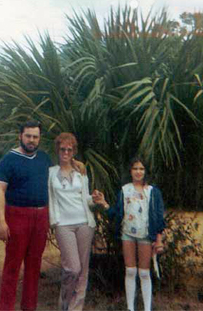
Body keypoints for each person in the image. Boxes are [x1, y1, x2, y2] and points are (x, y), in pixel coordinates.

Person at [92, 156, 165, 311]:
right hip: (128, 235)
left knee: (144, 273)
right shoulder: (125, 190)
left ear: (145, 171)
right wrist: (104, 204)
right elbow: (117, 214)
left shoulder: (153, 192)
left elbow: (159, 217)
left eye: (141, 169)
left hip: (145, 235)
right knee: (130, 271)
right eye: (135, 168)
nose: (138, 172)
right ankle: (130, 308)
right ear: (130, 171)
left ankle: (147, 308)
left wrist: (158, 239)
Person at [0, 120, 52, 311]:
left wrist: (76, 163)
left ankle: (29, 307)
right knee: (12, 267)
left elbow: (59, 176)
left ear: (39, 138)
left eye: (35, 137)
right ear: (20, 136)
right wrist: (0, 220)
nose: (31, 140)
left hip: (41, 217)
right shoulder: (8, 160)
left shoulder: (44, 158)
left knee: (34, 267)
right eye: (28, 136)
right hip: (17, 215)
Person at [48, 132, 96, 311]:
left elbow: (86, 199)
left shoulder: (81, 172)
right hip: (63, 225)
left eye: (69, 149)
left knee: (83, 272)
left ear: (74, 151)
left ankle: (76, 308)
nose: (66, 153)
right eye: (62, 149)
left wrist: (95, 199)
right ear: (57, 150)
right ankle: (64, 303)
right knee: (72, 269)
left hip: (84, 224)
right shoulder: (51, 173)